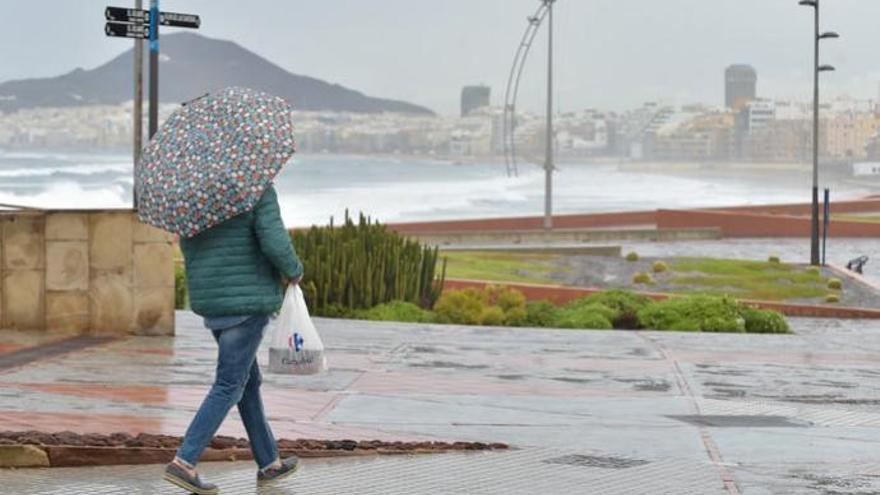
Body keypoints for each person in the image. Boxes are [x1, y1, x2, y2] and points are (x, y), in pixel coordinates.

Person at [163, 184, 304, 495]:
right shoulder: (255, 190)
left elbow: (188, 245)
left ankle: (269, 464)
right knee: (229, 384)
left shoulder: (193, 196)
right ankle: (184, 462)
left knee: (247, 382)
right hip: (247, 303)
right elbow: (273, 239)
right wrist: (294, 270)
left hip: (213, 305)